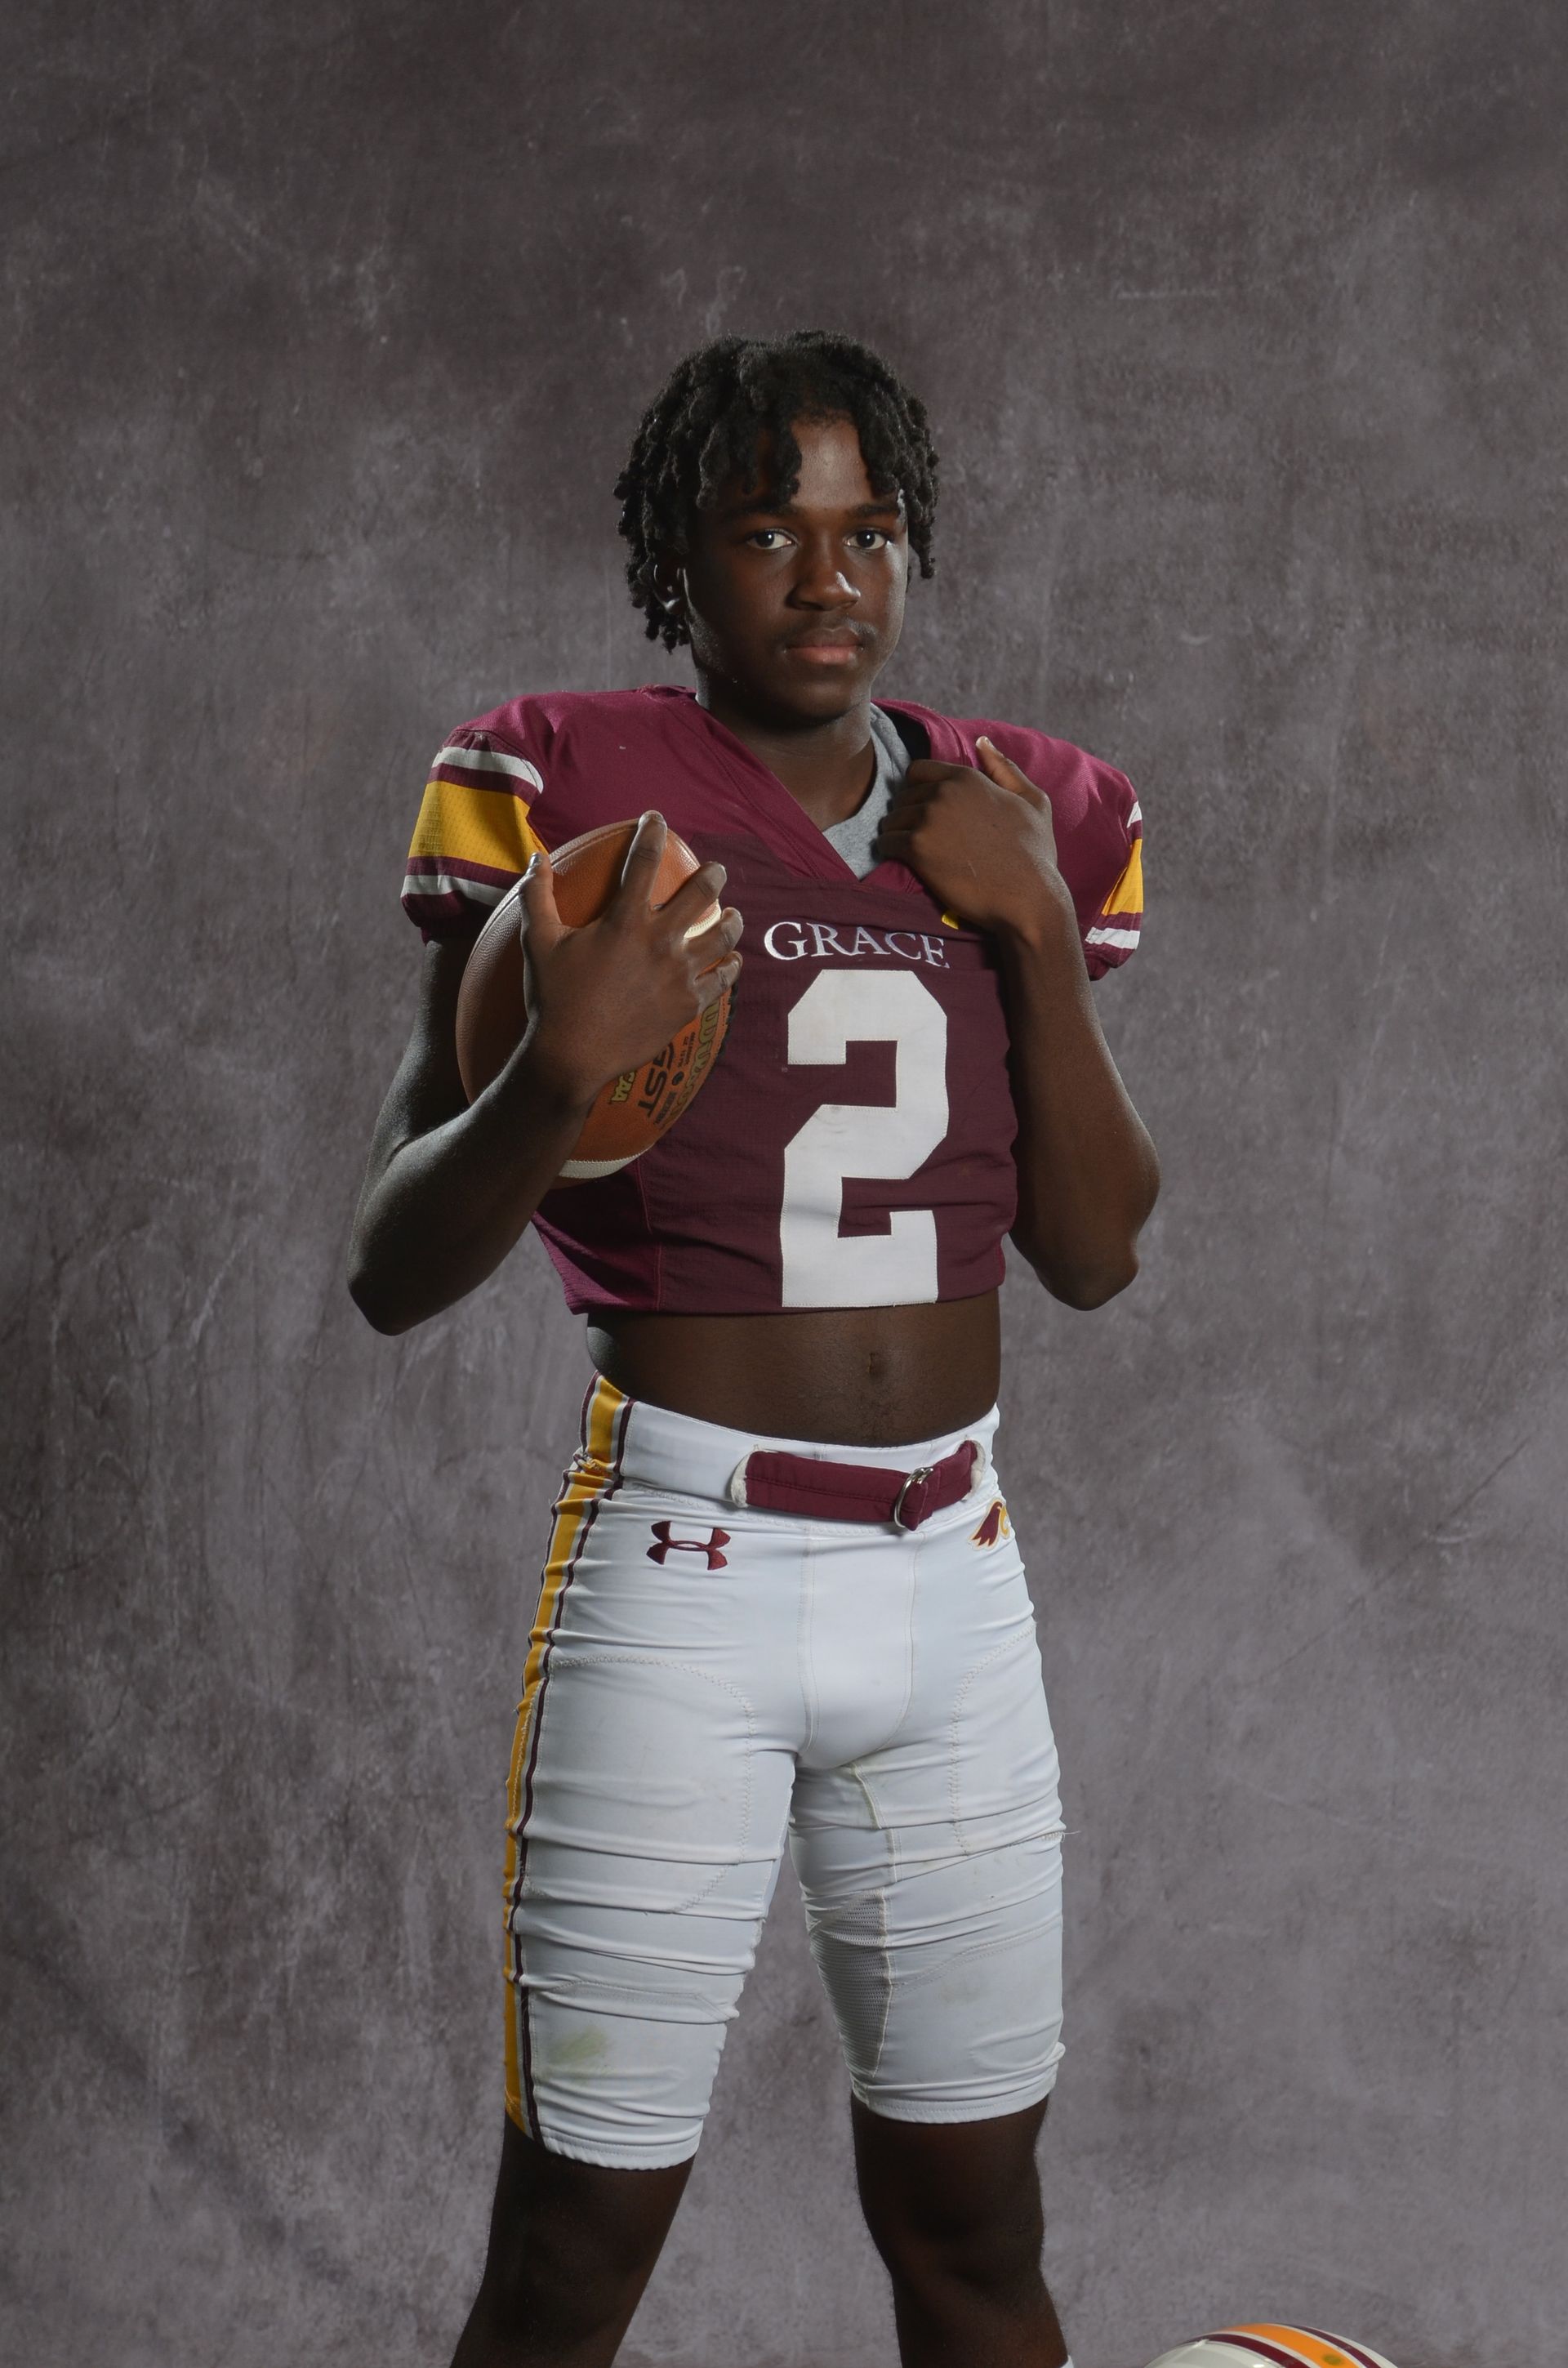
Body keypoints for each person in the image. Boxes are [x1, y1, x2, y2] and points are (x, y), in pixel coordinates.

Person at [350, 329, 1158, 2368]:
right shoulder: (569, 794)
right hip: (685, 1574)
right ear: (676, 562)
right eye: (767, 531)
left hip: (956, 1579)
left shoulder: (1026, 810)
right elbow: (389, 1262)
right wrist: (555, 1073)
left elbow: (1095, 1255)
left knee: (978, 2229)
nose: (827, 578)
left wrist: (1035, 933)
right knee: (573, 2249)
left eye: (869, 532)